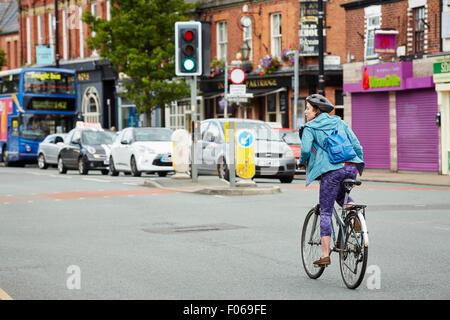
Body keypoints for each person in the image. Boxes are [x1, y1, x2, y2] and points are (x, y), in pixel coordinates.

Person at [298, 94, 364, 267]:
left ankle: (325, 255)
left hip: (331, 171)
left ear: (316, 111)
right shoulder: (339, 122)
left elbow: (305, 150)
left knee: (326, 211)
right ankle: (354, 217)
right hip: (350, 167)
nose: (305, 112)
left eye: (308, 108)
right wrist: (359, 164)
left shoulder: (309, 127)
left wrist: (301, 162)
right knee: (342, 199)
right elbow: (357, 145)